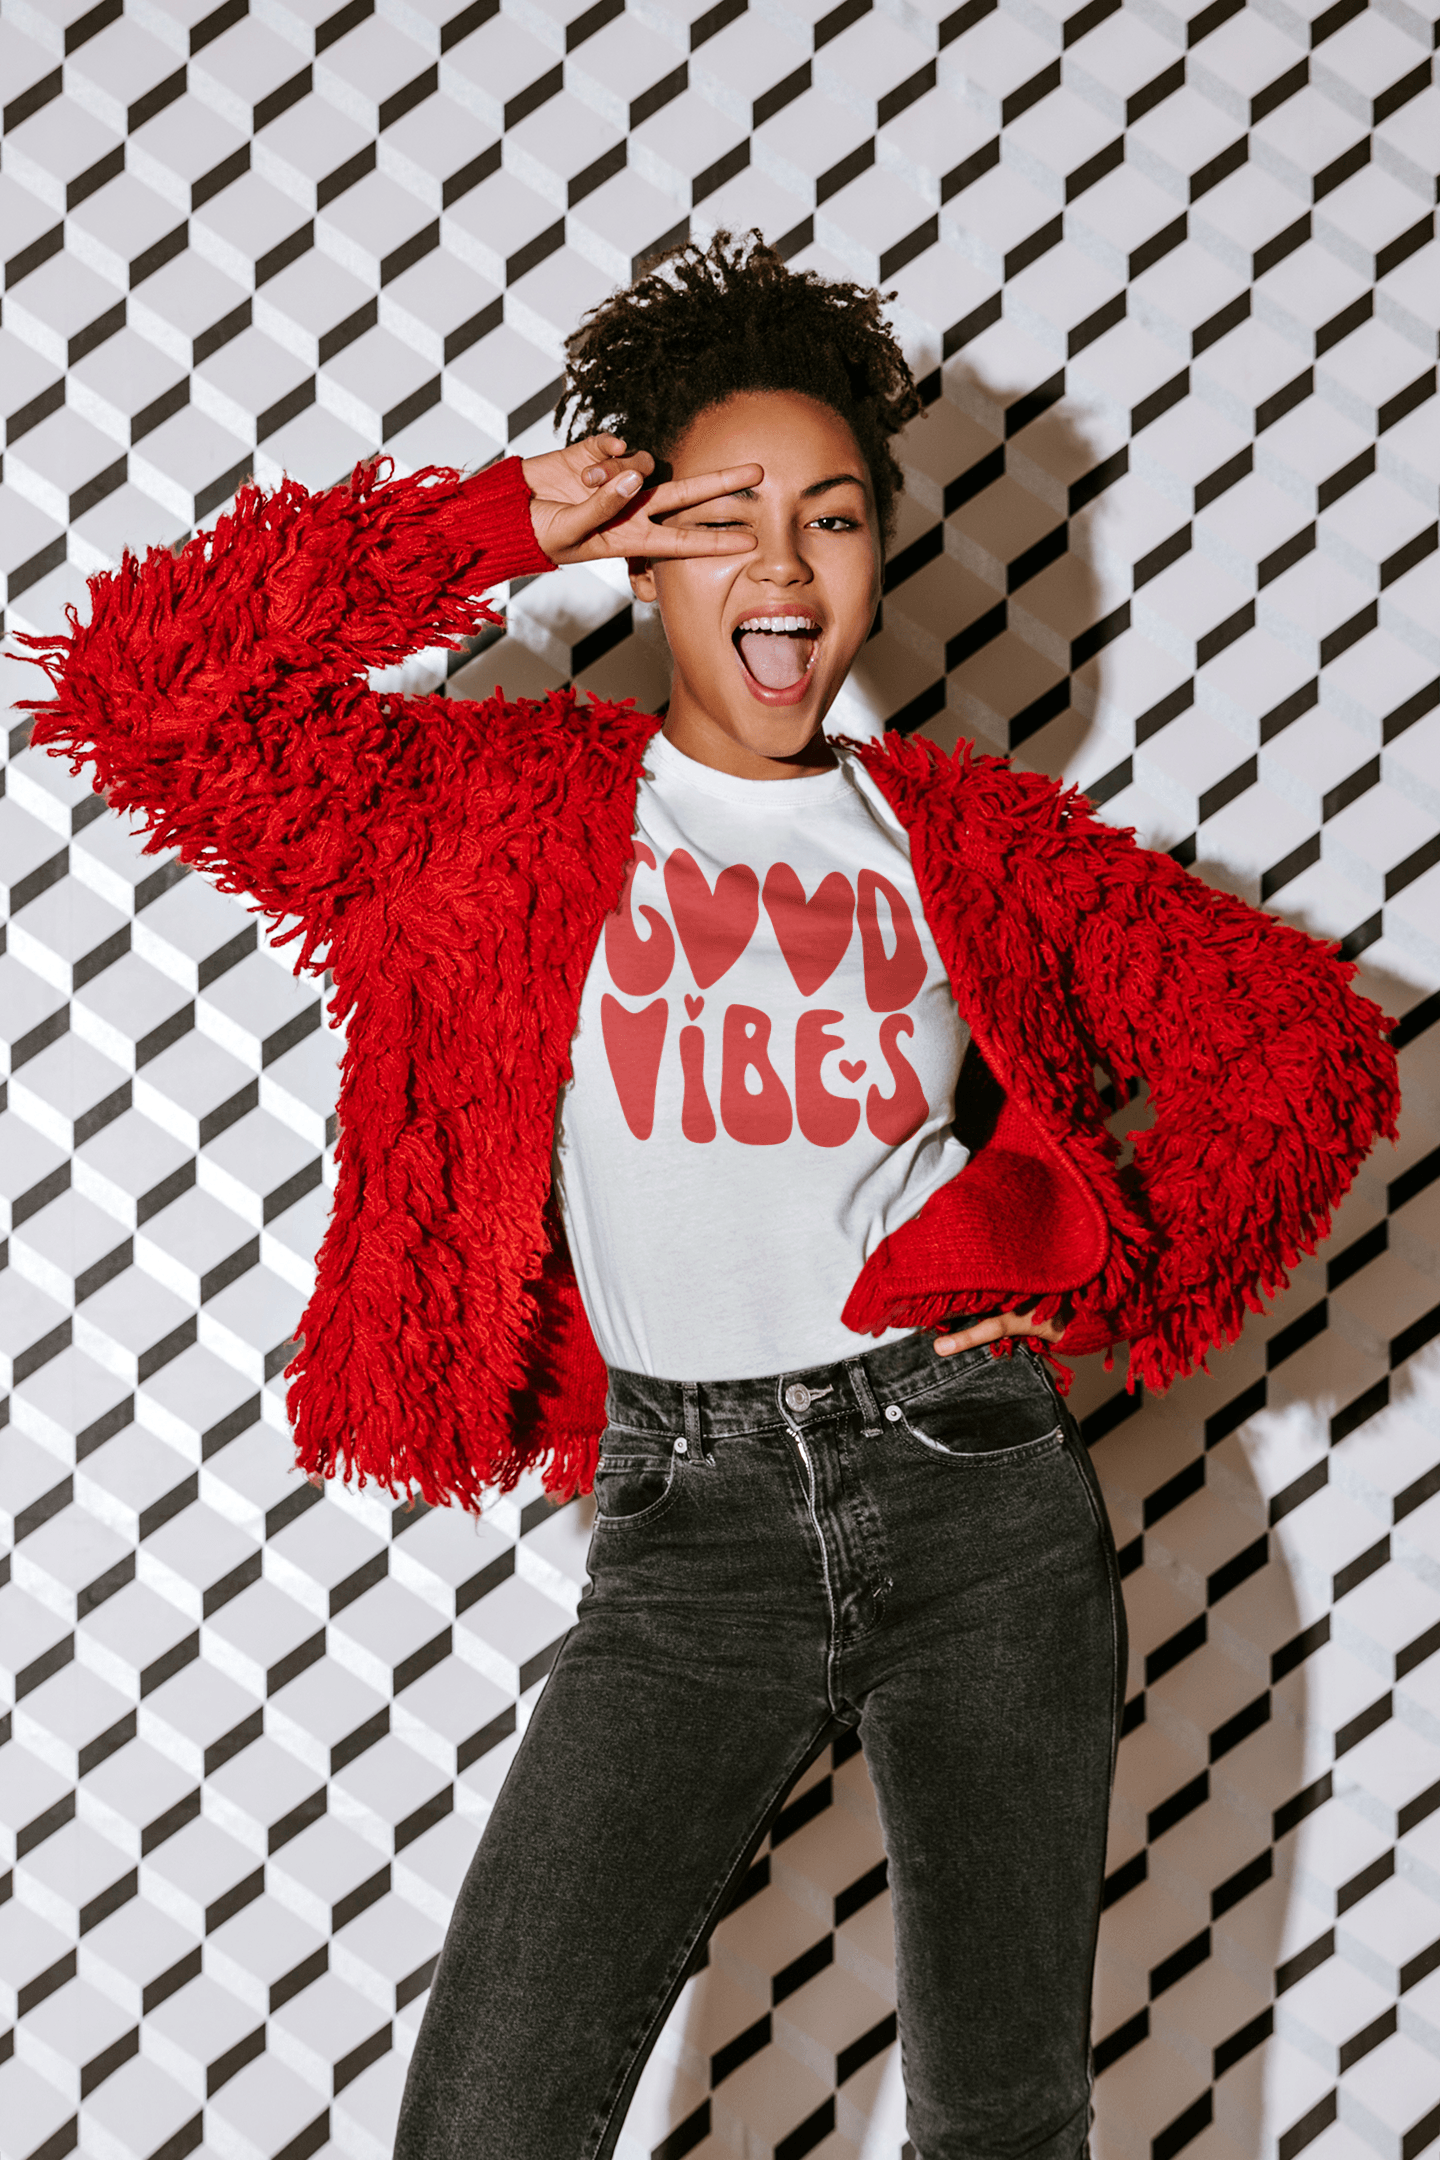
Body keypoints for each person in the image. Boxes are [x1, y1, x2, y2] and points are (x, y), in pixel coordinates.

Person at [20, 232, 1398, 2160]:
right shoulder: (493, 809)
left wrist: (1098, 1277)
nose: (781, 567)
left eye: (830, 520)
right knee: (489, 2124)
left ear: (876, 558)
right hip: (688, 1540)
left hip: (982, 1500)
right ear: (645, 550)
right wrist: (497, 520)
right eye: (725, 517)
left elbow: (1307, 1045)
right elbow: (144, 692)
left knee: (1004, 2124)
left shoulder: (970, 841)